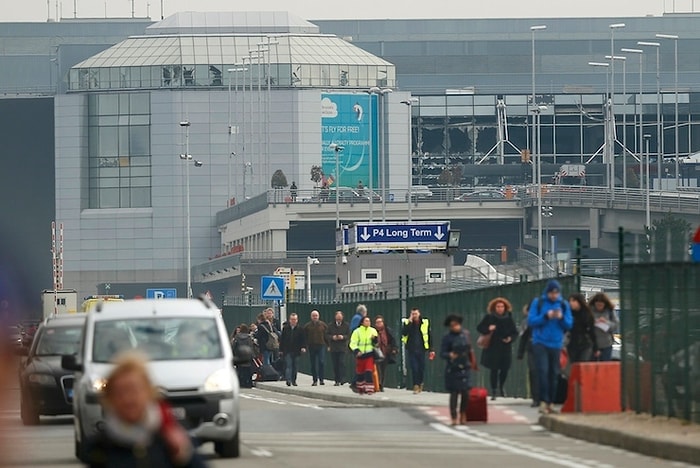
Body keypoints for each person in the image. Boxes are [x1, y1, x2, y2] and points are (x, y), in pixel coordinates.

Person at [85, 353, 206, 467]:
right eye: (120, 392)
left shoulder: (172, 437)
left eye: (134, 390)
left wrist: (184, 455)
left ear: (149, 392)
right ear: (110, 399)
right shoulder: (101, 448)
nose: (128, 399)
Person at [528, 280, 573, 414]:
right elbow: (531, 321)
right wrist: (545, 316)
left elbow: (569, 324)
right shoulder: (539, 303)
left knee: (554, 373)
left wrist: (561, 318)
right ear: (547, 292)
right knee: (542, 371)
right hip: (540, 342)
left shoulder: (564, 305)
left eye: (556, 292)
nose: (553, 295)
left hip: (556, 342)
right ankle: (544, 400)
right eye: (551, 292)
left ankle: (551, 402)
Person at [476, 297, 519, 400]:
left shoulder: (509, 318)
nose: (500, 308)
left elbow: (515, 332)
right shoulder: (489, 317)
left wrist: (510, 339)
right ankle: (494, 390)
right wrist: (488, 328)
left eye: (502, 306)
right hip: (493, 347)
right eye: (498, 306)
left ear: (505, 307)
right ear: (494, 308)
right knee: (494, 369)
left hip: (505, 347)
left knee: (505, 369)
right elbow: (479, 328)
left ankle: (501, 386)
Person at [440, 314, 475, 426]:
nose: (455, 327)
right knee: (454, 393)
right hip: (453, 367)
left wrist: (471, 362)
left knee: (465, 393)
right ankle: (454, 416)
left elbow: (470, 349)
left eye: (457, 324)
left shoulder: (465, 335)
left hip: (465, 366)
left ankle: (463, 413)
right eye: (452, 325)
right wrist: (450, 355)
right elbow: (442, 353)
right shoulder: (447, 338)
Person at [401, 308, 435, 394]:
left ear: (419, 314)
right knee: (414, 368)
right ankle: (415, 385)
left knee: (421, 368)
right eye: (413, 314)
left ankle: (420, 383)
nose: (414, 316)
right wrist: (409, 322)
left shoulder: (425, 322)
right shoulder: (408, 323)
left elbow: (429, 336)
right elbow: (404, 333)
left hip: (421, 349)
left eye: (415, 314)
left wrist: (431, 349)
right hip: (412, 349)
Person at [517, 302, 540, 408]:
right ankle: (536, 397)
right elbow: (524, 337)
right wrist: (520, 353)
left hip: (546, 349)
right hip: (532, 349)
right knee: (533, 371)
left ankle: (544, 397)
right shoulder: (530, 323)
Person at [349, 316, 378, 395]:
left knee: (368, 371)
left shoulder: (373, 330)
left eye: (369, 321)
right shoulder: (357, 331)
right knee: (360, 373)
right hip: (360, 354)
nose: (368, 322)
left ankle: (369, 389)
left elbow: (376, 344)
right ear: (362, 322)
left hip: (369, 354)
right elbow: (353, 343)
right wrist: (356, 350)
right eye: (366, 321)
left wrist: (375, 340)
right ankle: (361, 388)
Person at [588, 292, 619, 362]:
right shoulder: (589, 311)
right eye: (597, 305)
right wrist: (593, 322)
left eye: (601, 305)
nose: (599, 307)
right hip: (592, 342)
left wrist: (606, 322)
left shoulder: (610, 311)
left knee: (605, 365)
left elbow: (616, 325)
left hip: (606, 343)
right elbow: (584, 323)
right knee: (592, 365)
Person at [567, 293, 597, 363]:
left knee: (583, 364)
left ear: (579, 301)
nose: (571, 303)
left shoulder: (587, 314)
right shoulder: (569, 313)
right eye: (570, 301)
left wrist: (596, 347)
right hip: (572, 344)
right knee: (573, 365)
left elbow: (592, 331)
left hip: (585, 344)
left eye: (573, 301)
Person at [280, 313, 306, 387]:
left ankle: (294, 380)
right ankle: (288, 380)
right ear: (289, 320)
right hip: (287, 350)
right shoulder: (285, 328)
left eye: (294, 319)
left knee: (295, 366)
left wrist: (303, 347)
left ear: (297, 320)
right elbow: (282, 339)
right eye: (292, 319)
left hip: (296, 350)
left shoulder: (300, 329)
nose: (293, 321)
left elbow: (303, 339)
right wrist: (281, 349)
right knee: (289, 365)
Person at [303, 310, 328, 386]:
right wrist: (304, 346)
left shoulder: (323, 325)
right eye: (313, 316)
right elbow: (305, 337)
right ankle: (314, 380)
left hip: (321, 345)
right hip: (312, 346)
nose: (315, 317)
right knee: (313, 363)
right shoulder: (307, 326)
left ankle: (321, 379)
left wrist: (328, 345)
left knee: (321, 362)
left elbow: (326, 336)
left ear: (318, 316)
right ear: (311, 317)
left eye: (316, 316)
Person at [374, 315, 398, 391]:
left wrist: (394, 349)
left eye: (380, 322)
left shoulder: (387, 330)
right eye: (377, 322)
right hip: (376, 352)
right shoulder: (373, 331)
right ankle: (377, 384)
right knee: (377, 370)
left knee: (383, 370)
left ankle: (381, 385)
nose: (379, 324)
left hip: (385, 352)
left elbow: (392, 340)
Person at [326, 311, 350, 386]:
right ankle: (337, 380)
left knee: (341, 362)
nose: (339, 319)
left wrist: (343, 337)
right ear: (335, 317)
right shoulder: (330, 325)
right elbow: (326, 335)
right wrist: (332, 337)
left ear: (342, 318)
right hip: (334, 347)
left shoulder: (346, 325)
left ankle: (343, 378)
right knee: (335, 364)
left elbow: (349, 335)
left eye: (340, 318)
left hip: (342, 347)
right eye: (338, 318)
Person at [232, 324, 255, 388]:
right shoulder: (248, 337)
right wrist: (252, 355)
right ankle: (248, 383)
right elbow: (251, 346)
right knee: (248, 370)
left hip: (239, 355)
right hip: (247, 355)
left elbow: (234, 346)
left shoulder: (237, 337)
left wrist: (233, 354)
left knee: (240, 370)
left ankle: (241, 382)